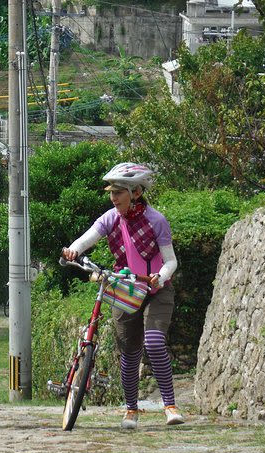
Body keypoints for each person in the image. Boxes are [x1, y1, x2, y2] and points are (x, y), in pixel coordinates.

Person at [62, 163, 184, 428]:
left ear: (136, 192)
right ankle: (131, 410)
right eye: (111, 192)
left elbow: (171, 261)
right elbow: (88, 238)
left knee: (152, 342)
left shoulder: (156, 220)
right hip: (125, 288)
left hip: (156, 290)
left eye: (119, 192)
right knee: (128, 351)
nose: (113, 197)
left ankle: (170, 406)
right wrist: (73, 249)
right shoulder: (111, 218)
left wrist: (159, 277)